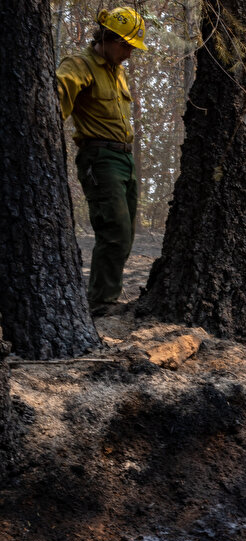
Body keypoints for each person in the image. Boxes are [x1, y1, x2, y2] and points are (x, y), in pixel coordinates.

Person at [56, 7, 148, 316]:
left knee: (126, 234)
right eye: (126, 46)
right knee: (115, 230)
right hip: (100, 158)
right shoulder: (79, 65)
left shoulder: (116, 70)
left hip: (125, 158)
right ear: (108, 38)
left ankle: (105, 295)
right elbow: (53, 104)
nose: (129, 54)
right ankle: (101, 303)